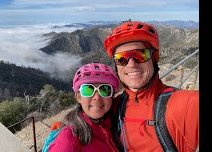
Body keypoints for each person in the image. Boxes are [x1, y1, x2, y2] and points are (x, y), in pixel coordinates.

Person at [103, 20, 199, 152]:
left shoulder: (183, 104)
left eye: (140, 54)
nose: (131, 64)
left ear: (154, 58)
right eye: (121, 58)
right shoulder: (113, 106)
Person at [46, 62, 120, 152]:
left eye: (105, 89)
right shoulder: (68, 139)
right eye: (88, 90)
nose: (97, 97)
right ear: (78, 97)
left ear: (112, 95)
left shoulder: (117, 122)